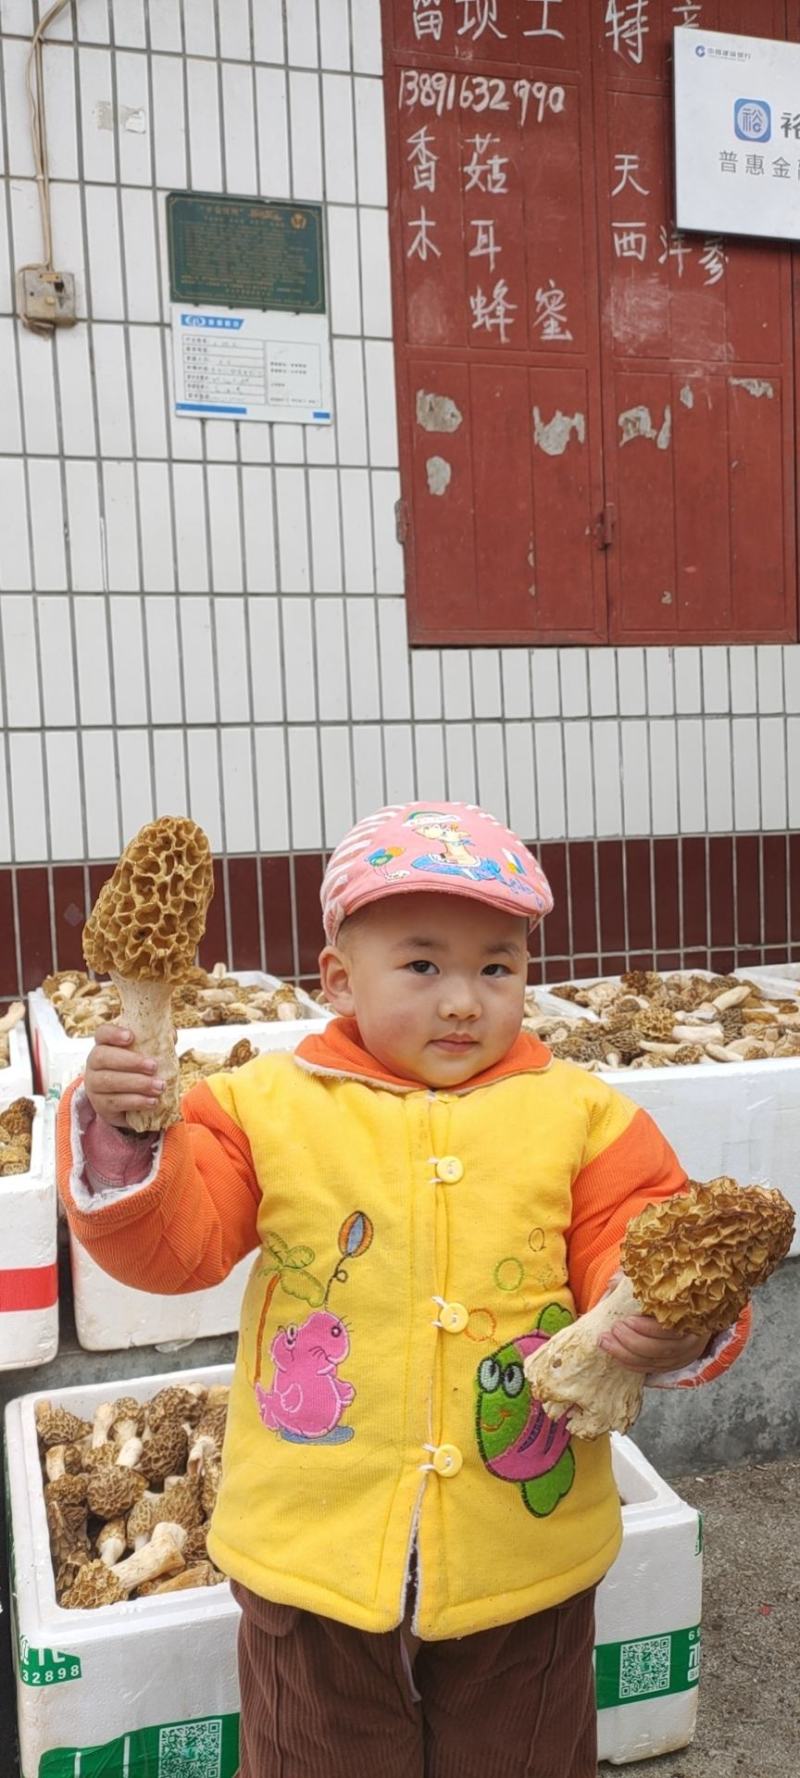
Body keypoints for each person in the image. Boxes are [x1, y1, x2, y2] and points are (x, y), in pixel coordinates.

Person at [57, 802, 749, 1778]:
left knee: (523, 1754)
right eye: (422, 965)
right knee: (319, 1756)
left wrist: (670, 1322)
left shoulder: (581, 1115)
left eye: (496, 965)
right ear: (339, 977)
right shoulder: (262, 1105)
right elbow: (176, 1247)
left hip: (524, 1555)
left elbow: (641, 1242)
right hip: (313, 1556)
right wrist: (128, 1135)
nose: (463, 999)